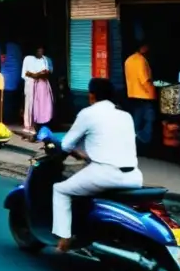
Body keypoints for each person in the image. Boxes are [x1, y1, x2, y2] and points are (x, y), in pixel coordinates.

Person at [52, 78, 143, 252]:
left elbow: (66, 144)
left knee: (60, 189)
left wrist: (77, 153)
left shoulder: (88, 113)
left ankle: (64, 239)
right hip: (133, 176)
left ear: (92, 95)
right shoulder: (126, 116)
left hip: (105, 175)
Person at [124, 42, 156, 151]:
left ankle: (134, 142)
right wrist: (153, 94)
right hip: (145, 96)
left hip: (132, 94)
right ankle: (143, 141)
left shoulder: (128, 60)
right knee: (149, 119)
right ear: (143, 47)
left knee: (136, 120)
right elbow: (145, 80)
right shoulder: (141, 60)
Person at [22, 46, 54, 134]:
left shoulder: (46, 60)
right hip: (32, 85)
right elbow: (26, 73)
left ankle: (43, 125)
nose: (40, 53)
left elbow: (47, 72)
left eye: (42, 51)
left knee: (44, 106)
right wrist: (35, 75)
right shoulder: (28, 59)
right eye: (38, 51)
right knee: (33, 105)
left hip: (42, 85)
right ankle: (31, 125)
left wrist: (35, 74)